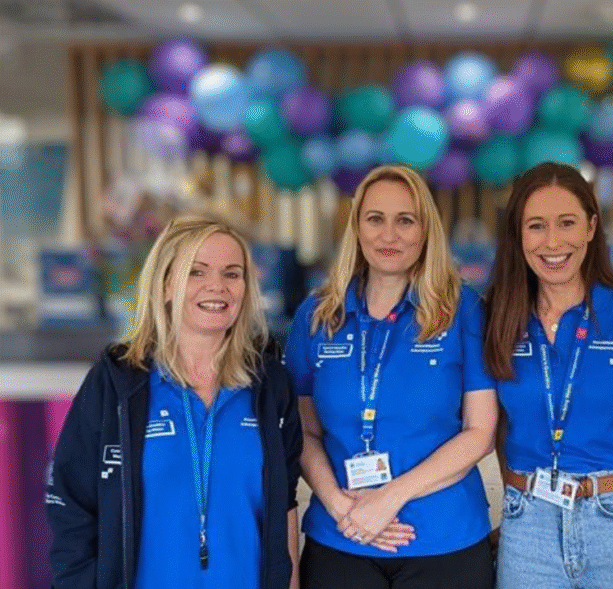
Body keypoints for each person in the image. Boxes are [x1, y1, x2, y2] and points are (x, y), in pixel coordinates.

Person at [47, 216, 303, 589]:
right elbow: (72, 505)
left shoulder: (270, 385)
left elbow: (284, 506)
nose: (217, 286)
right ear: (166, 285)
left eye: (232, 274)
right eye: (197, 272)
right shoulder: (117, 383)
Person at [284, 165, 497, 589]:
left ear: (425, 229)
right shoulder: (317, 317)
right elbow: (303, 432)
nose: (389, 235)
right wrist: (340, 506)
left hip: (443, 539)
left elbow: (480, 432)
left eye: (405, 220)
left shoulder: (463, 311)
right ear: (356, 227)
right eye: (375, 219)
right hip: (342, 536)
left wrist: (388, 499)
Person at [483, 162, 613, 589]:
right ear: (518, 235)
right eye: (536, 226)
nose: (553, 242)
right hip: (529, 529)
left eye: (567, 222)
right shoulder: (498, 318)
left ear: (591, 227)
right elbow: (497, 429)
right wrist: (518, 498)